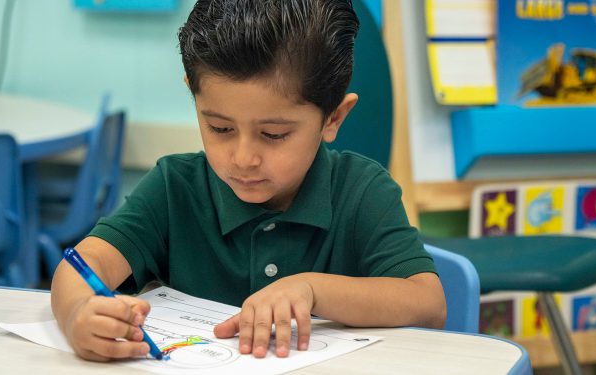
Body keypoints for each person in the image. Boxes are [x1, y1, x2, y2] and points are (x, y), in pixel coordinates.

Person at [51, 0, 446, 362]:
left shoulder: (362, 190)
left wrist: (311, 289)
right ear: (194, 96)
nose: (243, 158)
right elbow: (84, 265)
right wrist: (77, 315)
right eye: (220, 127)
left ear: (333, 118)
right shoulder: (175, 187)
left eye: (273, 135)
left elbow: (428, 302)